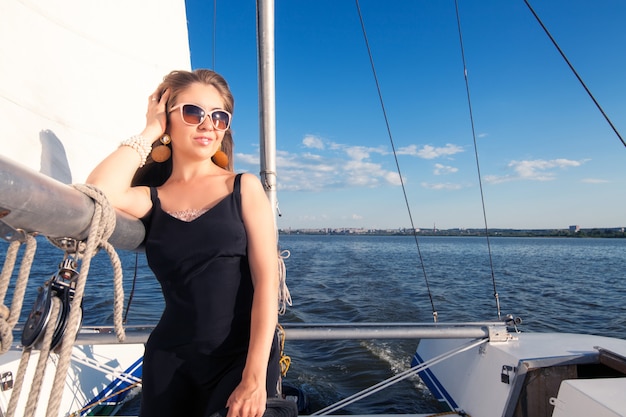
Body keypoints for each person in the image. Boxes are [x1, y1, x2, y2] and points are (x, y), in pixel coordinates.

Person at [87, 69, 283, 417]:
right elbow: (100, 190)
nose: (209, 124)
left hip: (239, 360)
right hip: (170, 362)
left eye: (219, 117)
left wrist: (254, 378)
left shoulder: (243, 188)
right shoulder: (153, 198)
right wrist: (150, 130)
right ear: (168, 120)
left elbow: (267, 283)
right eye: (194, 113)